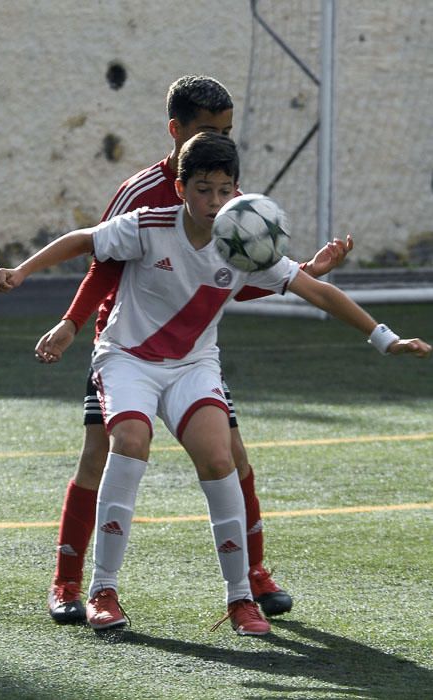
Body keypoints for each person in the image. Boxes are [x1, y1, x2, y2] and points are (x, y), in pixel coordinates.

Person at [0, 132, 431, 636]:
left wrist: (384, 338)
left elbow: (317, 292)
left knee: (220, 458)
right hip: (126, 359)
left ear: (237, 191)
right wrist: (22, 272)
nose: (215, 201)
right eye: (203, 189)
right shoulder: (148, 225)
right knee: (129, 442)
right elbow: (83, 241)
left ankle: (242, 598)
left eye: (225, 190)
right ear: (180, 189)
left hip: (193, 366)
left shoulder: (244, 241)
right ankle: (102, 590)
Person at [25, 75, 353, 625]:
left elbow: (222, 276)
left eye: (227, 131)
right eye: (207, 130)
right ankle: (68, 582)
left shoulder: (224, 192)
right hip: (128, 344)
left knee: (231, 455)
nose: (219, 140)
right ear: (175, 131)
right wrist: (72, 324)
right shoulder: (141, 194)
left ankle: (252, 576)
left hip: (193, 352)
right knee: (100, 455)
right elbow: (102, 261)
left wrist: (298, 275)